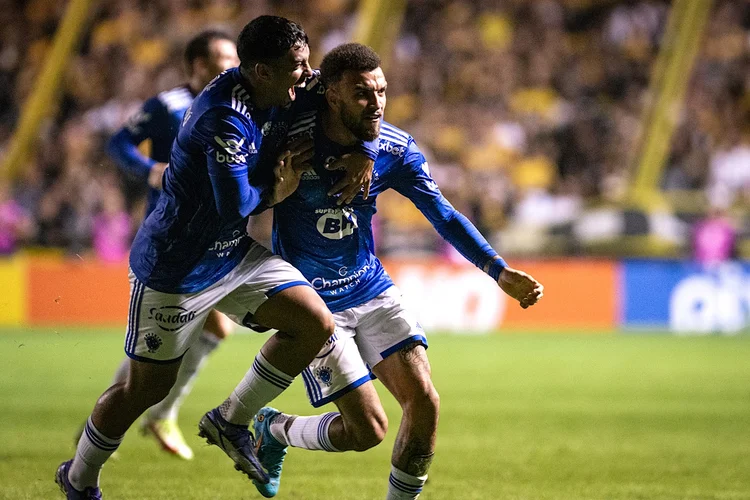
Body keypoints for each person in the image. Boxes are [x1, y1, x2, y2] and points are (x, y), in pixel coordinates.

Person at [55, 17, 377, 500]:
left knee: (314, 322)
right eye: (296, 65)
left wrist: (367, 152)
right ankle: (78, 478)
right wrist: (280, 187)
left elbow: (354, 108)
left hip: (233, 255)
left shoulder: (292, 87)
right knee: (145, 389)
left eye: (307, 59)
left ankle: (232, 420)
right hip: (176, 267)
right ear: (261, 73)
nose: (307, 73)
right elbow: (239, 204)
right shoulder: (222, 116)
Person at [249, 43, 544, 499]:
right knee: (367, 431)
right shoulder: (291, 136)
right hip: (314, 305)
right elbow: (242, 190)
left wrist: (498, 270)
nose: (377, 103)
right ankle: (277, 430)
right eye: (363, 93)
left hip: (371, 287)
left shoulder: (394, 149)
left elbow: (442, 213)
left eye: (382, 91)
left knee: (424, 401)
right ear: (331, 95)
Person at [103, 29, 239, 460]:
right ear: (197, 64)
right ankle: (134, 416)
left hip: (214, 234)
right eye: (223, 57)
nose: (232, 64)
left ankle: (140, 415)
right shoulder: (168, 106)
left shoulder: (235, 104)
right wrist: (148, 169)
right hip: (172, 235)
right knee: (168, 340)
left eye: (235, 57)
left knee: (209, 328)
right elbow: (118, 142)